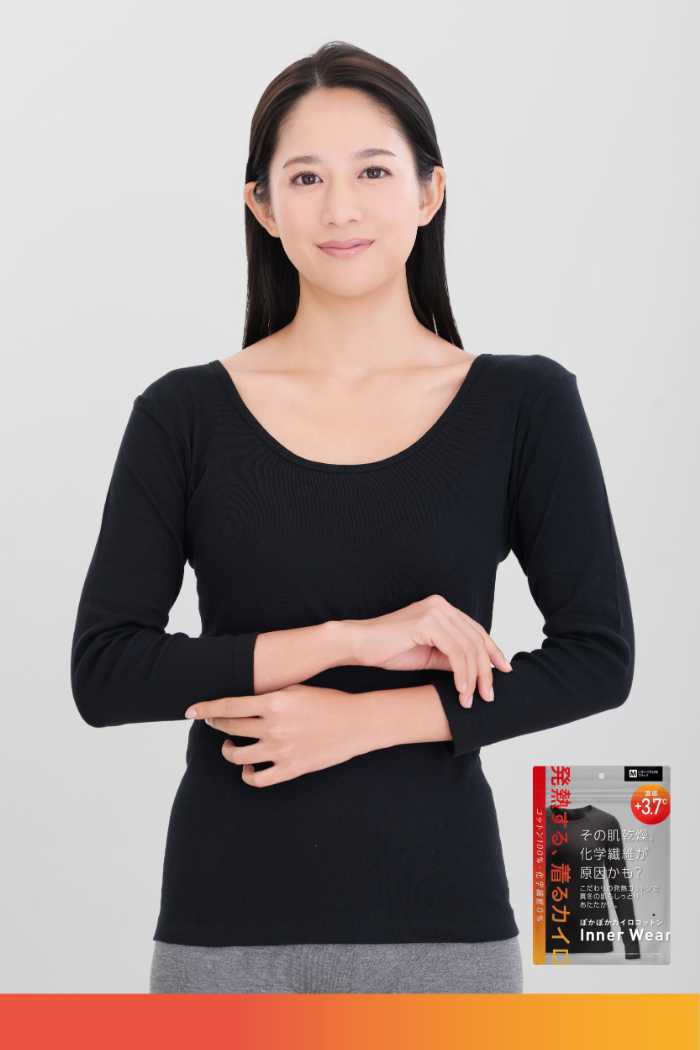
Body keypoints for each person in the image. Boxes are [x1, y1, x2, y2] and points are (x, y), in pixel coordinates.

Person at [70, 41, 634, 994]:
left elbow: (598, 658)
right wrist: (351, 640)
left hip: (447, 931)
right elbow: (107, 672)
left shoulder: (523, 404)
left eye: (373, 171)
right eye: (306, 177)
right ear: (262, 205)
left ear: (429, 191)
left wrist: (358, 723)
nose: (340, 208)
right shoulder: (183, 414)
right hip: (222, 934)